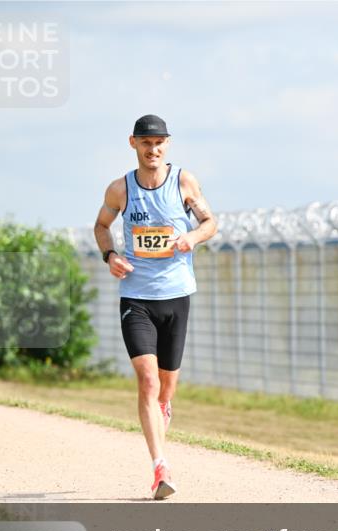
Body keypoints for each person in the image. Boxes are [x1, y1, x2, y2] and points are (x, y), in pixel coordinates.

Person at [93, 114, 217, 499]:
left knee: (165, 391)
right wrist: (110, 254)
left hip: (177, 295)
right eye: (146, 143)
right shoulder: (120, 189)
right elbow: (100, 226)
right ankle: (159, 467)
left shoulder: (183, 181)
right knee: (146, 381)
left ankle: (163, 411)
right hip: (136, 297)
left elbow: (210, 221)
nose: (154, 149)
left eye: (160, 142)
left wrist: (192, 237)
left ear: (168, 144)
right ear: (133, 144)